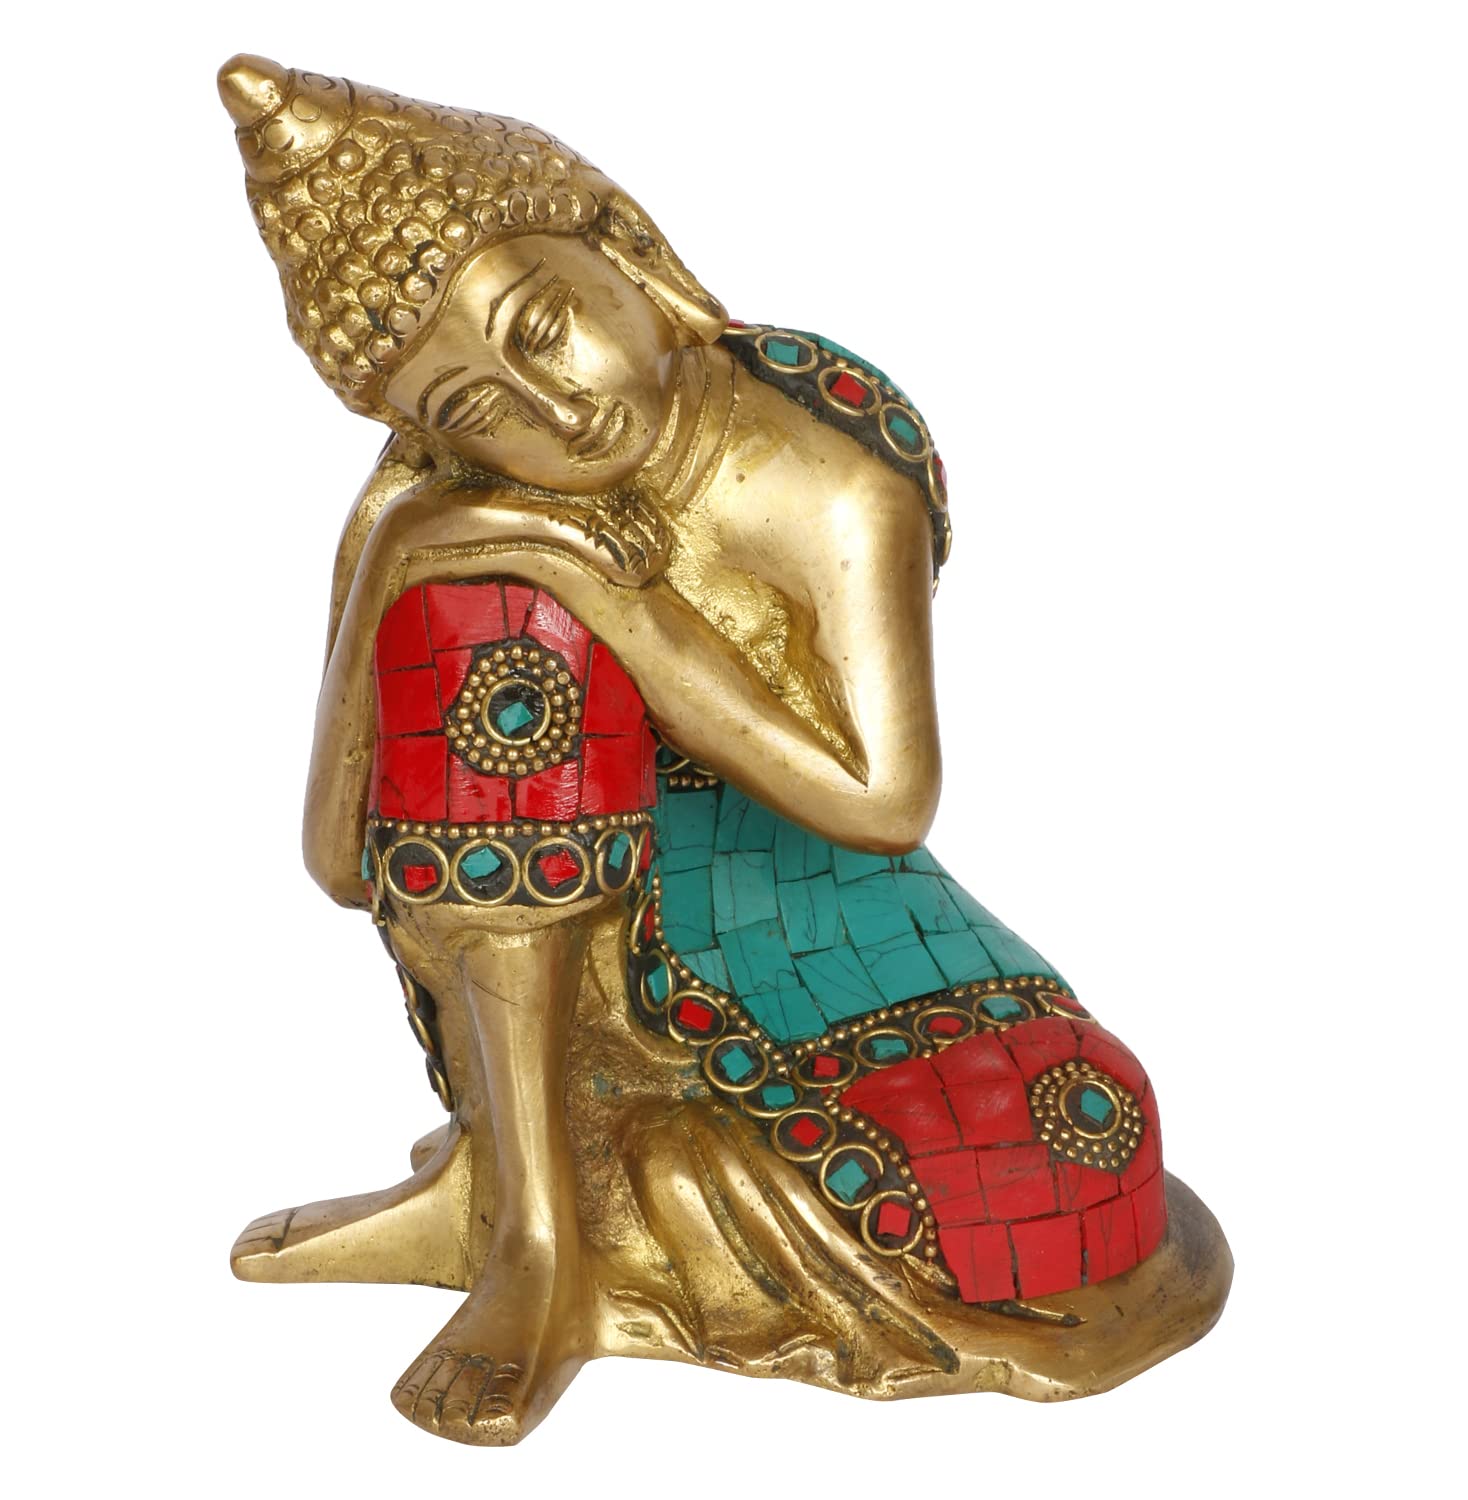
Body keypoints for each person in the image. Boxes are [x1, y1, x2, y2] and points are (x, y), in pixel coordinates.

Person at [219, 55, 1226, 1446]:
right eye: (470, 408)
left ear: (627, 250)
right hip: (568, 897)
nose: (553, 414)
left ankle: (554, 1205)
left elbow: (885, 803)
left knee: (1065, 1142)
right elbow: (340, 862)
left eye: (544, 326)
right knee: (493, 628)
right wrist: (402, 550)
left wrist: (625, 610)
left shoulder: (820, 467)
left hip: (814, 894)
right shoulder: (446, 505)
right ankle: (530, 1232)